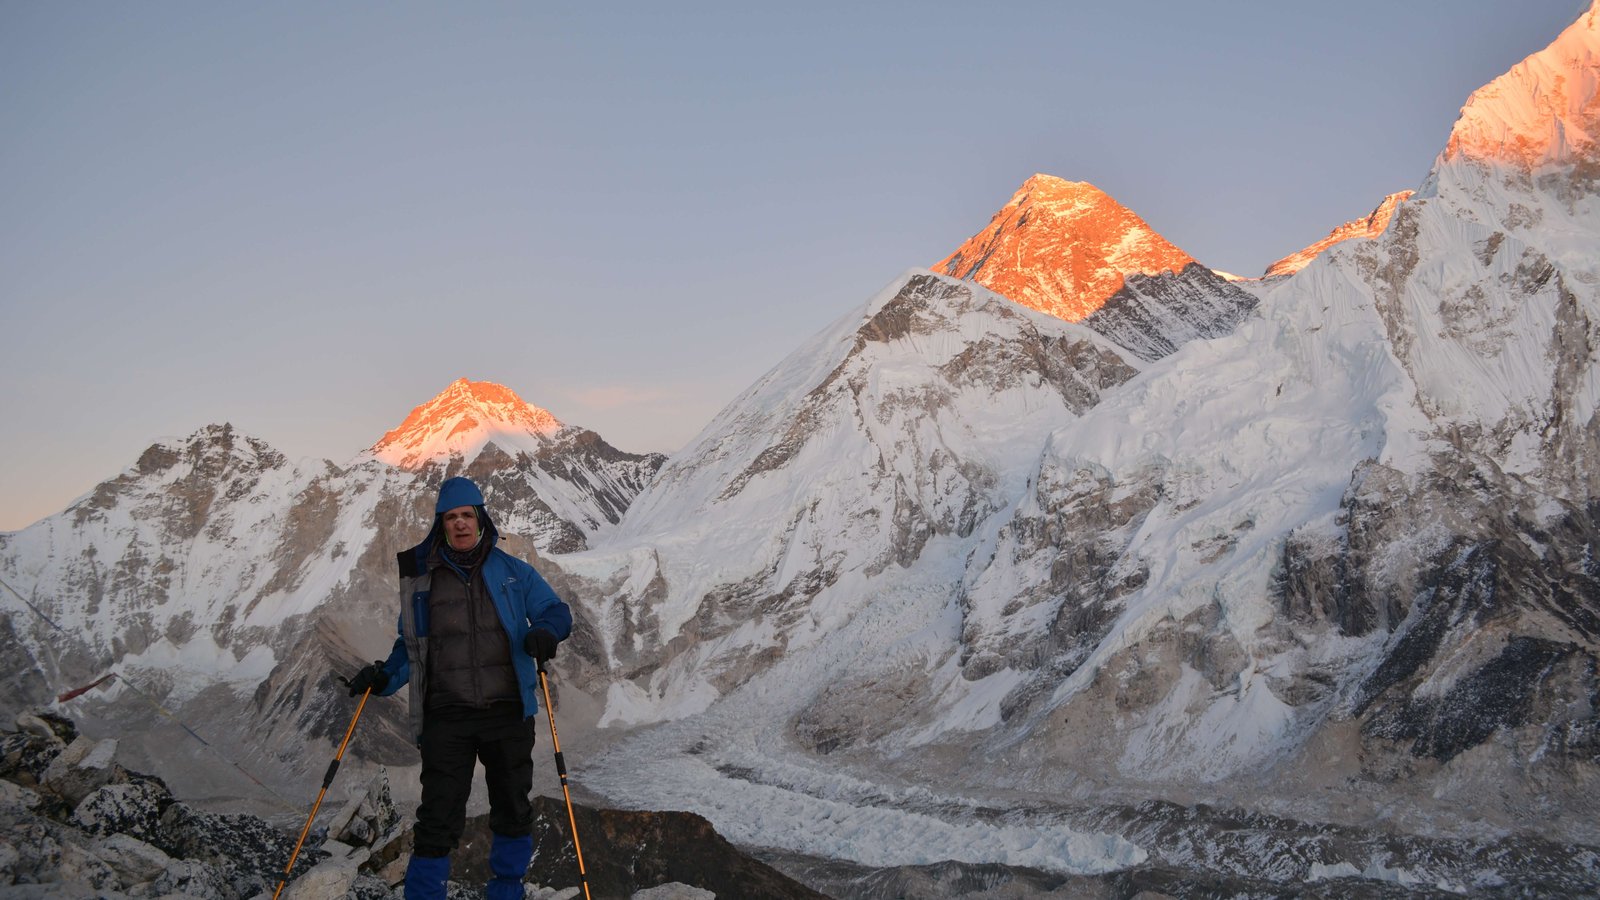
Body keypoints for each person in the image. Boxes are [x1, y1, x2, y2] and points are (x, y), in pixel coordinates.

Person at [342, 476, 572, 900]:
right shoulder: (421, 582)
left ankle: (506, 891)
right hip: (446, 715)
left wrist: (545, 631)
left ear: (481, 518)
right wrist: (384, 678)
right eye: (452, 517)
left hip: (507, 710)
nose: (461, 524)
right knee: (438, 816)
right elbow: (409, 646)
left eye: (467, 515)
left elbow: (555, 610)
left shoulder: (513, 572)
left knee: (512, 807)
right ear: (440, 525)